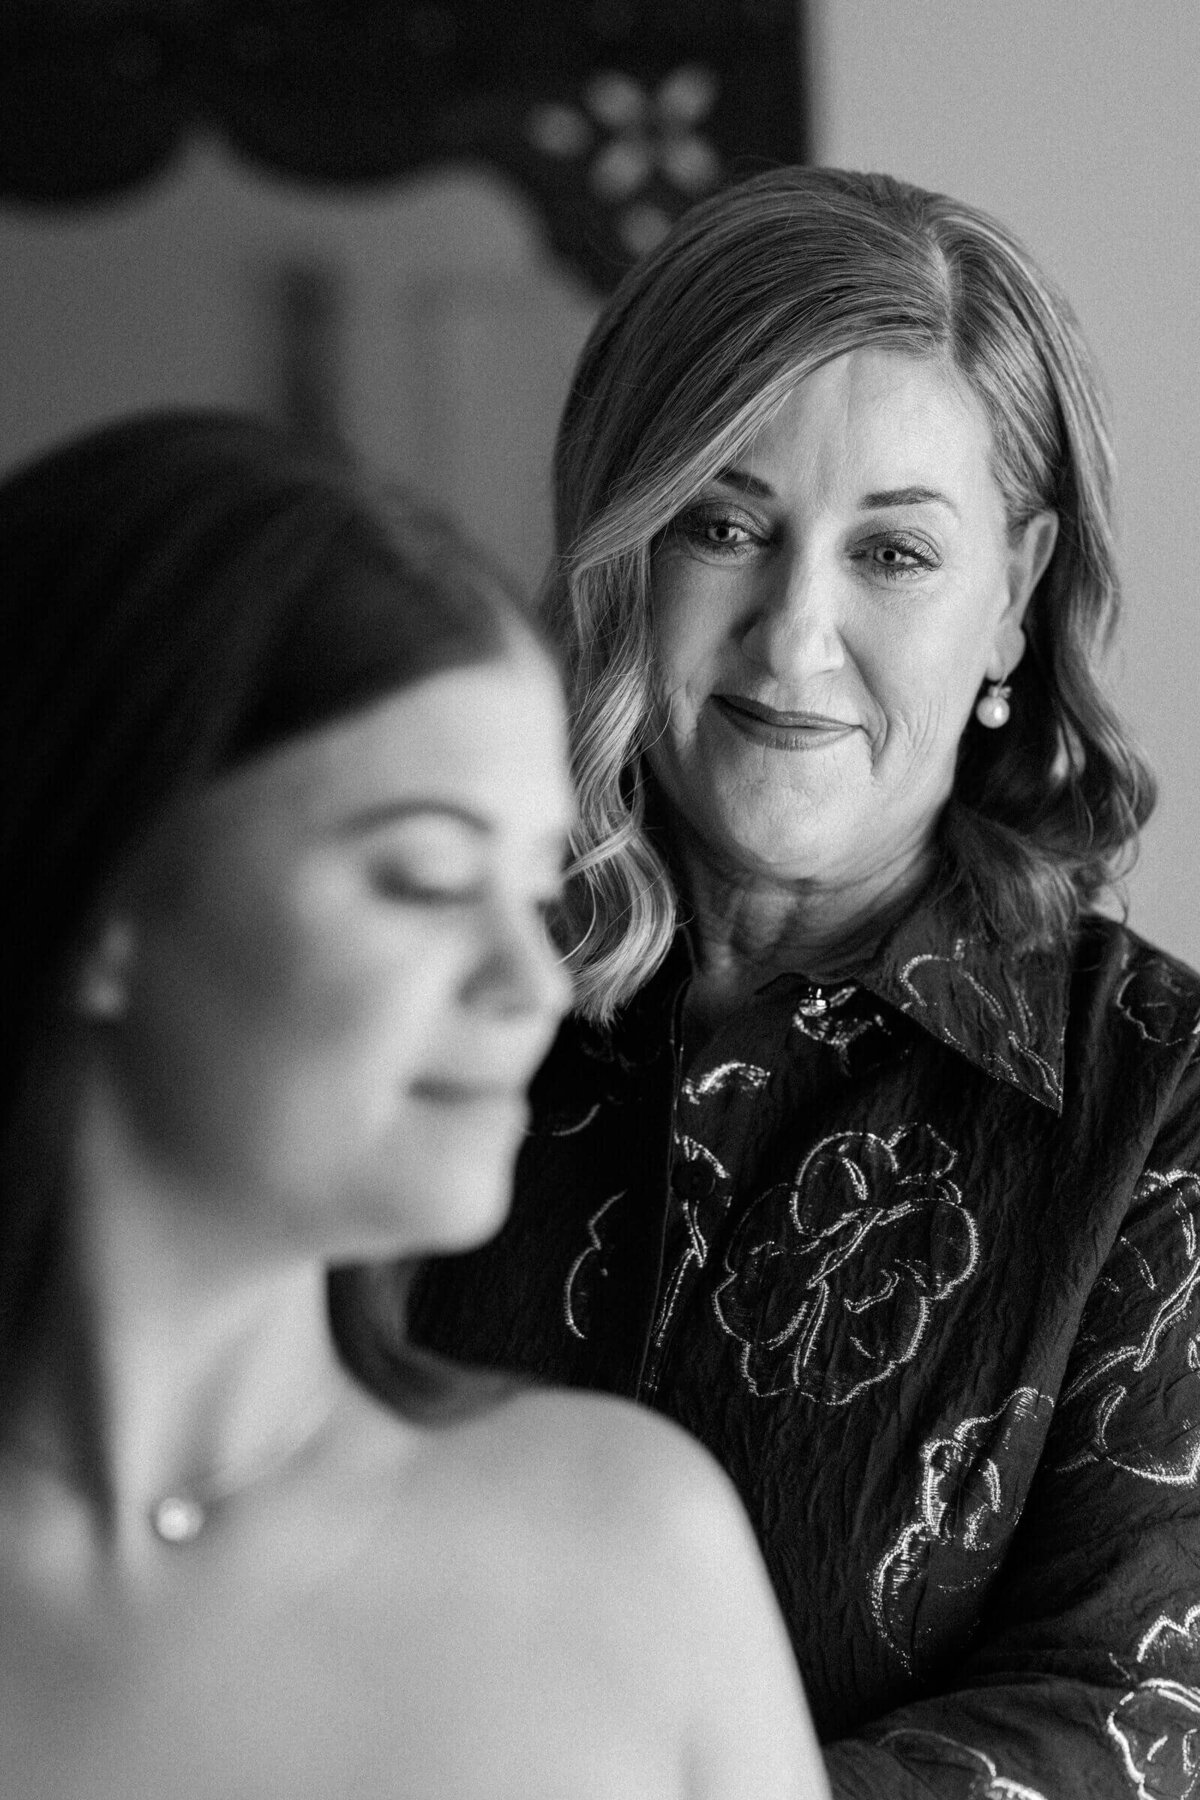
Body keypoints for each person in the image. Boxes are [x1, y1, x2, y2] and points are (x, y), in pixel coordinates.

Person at [407, 167, 1200, 1797]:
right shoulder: (420, 989)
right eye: (725, 522)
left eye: (895, 554)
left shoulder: (1163, 1098)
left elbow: (1133, 1712)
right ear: (620, 545)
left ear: (1015, 595)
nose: (791, 639)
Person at [0, 411, 830, 1800]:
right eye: (429, 883)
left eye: (537, 890)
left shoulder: (634, 1556)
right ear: (107, 907)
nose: (535, 982)